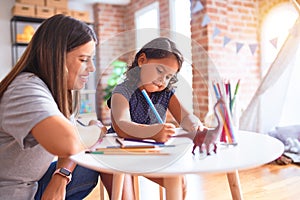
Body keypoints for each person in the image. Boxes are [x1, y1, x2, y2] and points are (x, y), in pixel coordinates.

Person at [0, 14, 107, 200]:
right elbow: (69, 142)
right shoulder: (25, 89)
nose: (91, 68)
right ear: (56, 57)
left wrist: (61, 177)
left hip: (35, 183)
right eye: (83, 59)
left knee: (98, 157)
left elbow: (73, 142)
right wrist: (96, 128)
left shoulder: (55, 92)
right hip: (13, 192)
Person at [106, 37, 207, 199]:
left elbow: (186, 117)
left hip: (149, 154)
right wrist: (152, 131)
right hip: (118, 155)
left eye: (168, 77)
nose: (162, 80)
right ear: (142, 61)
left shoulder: (166, 93)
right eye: (160, 71)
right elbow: (121, 125)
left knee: (179, 183)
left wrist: (196, 125)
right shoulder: (122, 91)